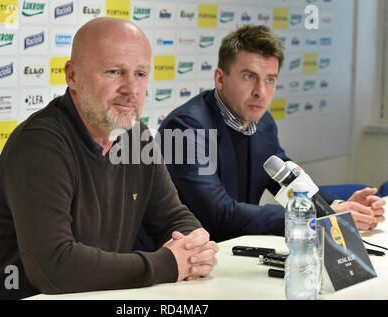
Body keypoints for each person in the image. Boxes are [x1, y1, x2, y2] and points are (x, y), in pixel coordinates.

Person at [0, 17, 218, 300]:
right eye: (114, 71)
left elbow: (173, 218)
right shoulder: (40, 143)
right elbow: (54, 267)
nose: (131, 89)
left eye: (140, 74)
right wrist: (168, 264)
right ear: (72, 76)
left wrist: (194, 250)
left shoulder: (136, 137)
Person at [157, 25, 386, 242]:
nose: (261, 92)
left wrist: (337, 206)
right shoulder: (186, 126)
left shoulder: (262, 121)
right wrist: (319, 216)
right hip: (182, 261)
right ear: (220, 78)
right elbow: (217, 214)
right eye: (249, 77)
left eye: (270, 80)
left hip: (232, 250)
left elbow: (287, 180)